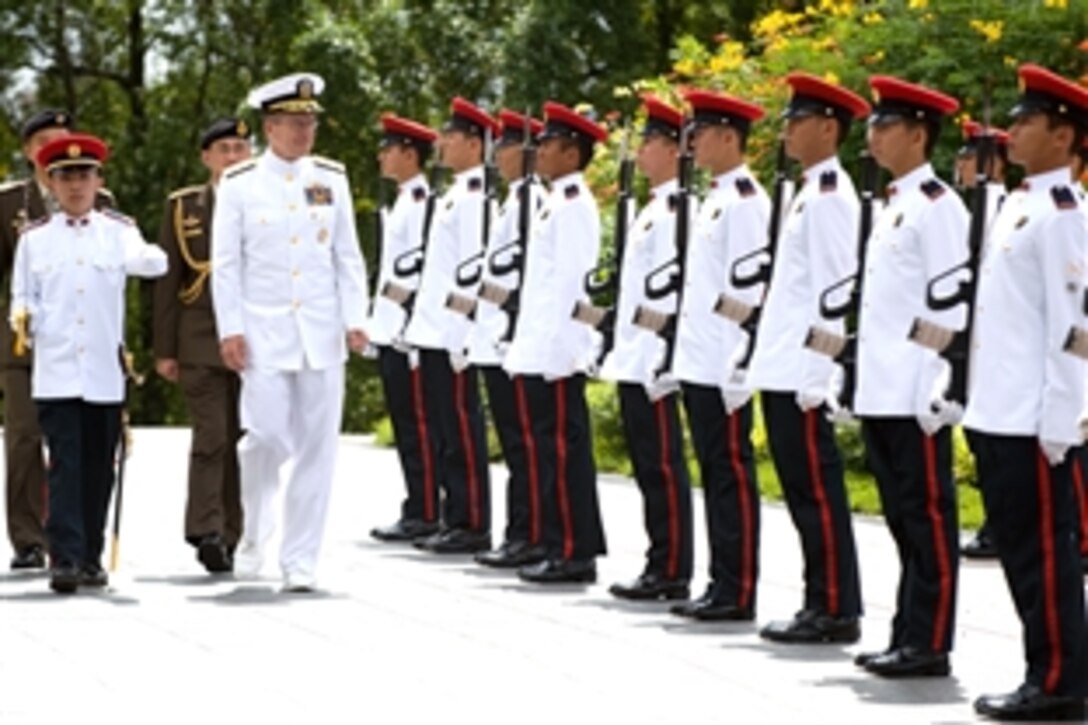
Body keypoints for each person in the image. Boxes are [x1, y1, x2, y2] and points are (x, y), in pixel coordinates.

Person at [212, 72, 369, 593]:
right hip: (263, 332)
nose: (305, 131)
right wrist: (230, 328)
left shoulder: (331, 178)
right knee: (266, 438)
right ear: (270, 126)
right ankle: (256, 532)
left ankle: (300, 558)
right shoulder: (239, 184)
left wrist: (356, 317)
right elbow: (227, 264)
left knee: (318, 449)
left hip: (321, 331)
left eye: (310, 121)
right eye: (294, 122)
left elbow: (347, 255)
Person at [964, 63, 1087, 722]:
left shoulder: (1063, 214)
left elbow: (1075, 330)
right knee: (1020, 553)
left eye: (1025, 121)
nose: (1010, 129)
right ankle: (1048, 667)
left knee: (1045, 555)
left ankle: (1061, 677)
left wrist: (1061, 421)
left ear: (1064, 136)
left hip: (1034, 417)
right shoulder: (1019, 203)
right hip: (998, 408)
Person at [10, 133, 167, 593]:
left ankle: (91, 557)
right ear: (51, 184)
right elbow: (22, 295)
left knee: (100, 466)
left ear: (99, 180)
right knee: (64, 463)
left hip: (102, 370)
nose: (76, 186)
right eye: (65, 177)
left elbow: (148, 262)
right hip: (56, 370)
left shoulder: (118, 231)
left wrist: (147, 255)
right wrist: (26, 317)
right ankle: (65, 557)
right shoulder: (35, 240)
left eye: (84, 176)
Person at [853, 76, 968, 678]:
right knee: (902, 517)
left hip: (915, 389)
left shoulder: (938, 207)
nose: (873, 134)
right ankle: (907, 631)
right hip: (881, 386)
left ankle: (930, 640)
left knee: (926, 517)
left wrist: (939, 383)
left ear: (917, 134)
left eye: (885, 125)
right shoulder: (894, 203)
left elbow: (948, 305)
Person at [749, 74, 867, 644]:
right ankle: (820, 599)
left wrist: (820, 374)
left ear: (828, 127)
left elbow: (832, 292)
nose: (786, 131)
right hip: (782, 363)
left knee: (816, 492)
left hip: (802, 371)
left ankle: (835, 607)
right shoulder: (806, 191)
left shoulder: (830, 197)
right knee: (800, 492)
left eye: (797, 122)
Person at [667, 88, 767, 622]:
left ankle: (738, 587)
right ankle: (719, 580)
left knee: (730, 475)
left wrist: (739, 363)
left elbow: (747, 294)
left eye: (700, 132)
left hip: (722, 360)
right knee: (714, 472)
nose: (692, 142)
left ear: (729, 137)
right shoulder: (717, 197)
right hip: (700, 358)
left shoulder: (747, 201)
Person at [0, 109, 114, 570]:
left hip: (83, 346)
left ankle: (77, 542)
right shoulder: (9, 203)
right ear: (32, 152)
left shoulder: (100, 199)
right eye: (45, 141)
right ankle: (29, 537)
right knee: (26, 437)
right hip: (24, 346)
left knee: (81, 445)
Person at [504, 100, 608, 584]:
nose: (538, 151)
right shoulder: (554, 201)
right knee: (544, 452)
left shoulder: (574, 206)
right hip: (537, 347)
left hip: (556, 353)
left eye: (547, 144)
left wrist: (565, 352)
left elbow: (571, 285)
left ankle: (572, 550)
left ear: (571, 152)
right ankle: (553, 541)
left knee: (562, 454)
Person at [602, 95, 694, 601]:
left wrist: (663, 355)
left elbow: (673, 292)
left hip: (655, 354)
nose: (641, 152)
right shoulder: (654, 208)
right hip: (635, 354)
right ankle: (660, 560)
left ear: (672, 148)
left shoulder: (680, 209)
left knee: (662, 464)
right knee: (646, 465)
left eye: (649, 142)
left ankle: (673, 566)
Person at [153, 117, 251, 574]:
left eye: (239, 148)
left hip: (254, 339)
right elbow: (167, 283)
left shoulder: (264, 202)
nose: (233, 156)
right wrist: (164, 349)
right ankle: (207, 529)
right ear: (206, 158)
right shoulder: (184, 207)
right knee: (212, 434)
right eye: (224, 149)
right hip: (199, 337)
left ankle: (236, 533)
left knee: (246, 438)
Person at [403, 97, 496, 555]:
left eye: (452, 136)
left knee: (461, 428)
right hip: (434, 328)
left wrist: (462, 332)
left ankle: (471, 520)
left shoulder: (477, 196)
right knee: (443, 429)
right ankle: (452, 512)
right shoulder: (457, 191)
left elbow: (472, 268)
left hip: (452, 329)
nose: (442, 142)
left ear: (475, 144)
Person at [470, 109, 549, 568]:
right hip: (499, 335)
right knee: (516, 443)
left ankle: (530, 533)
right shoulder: (513, 199)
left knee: (525, 444)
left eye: (505, 146)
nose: (496, 154)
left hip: (514, 337)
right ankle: (520, 530)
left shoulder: (532, 199)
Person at [367, 114, 443, 544]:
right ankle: (418, 503)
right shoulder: (404, 201)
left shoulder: (421, 205)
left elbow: (419, 275)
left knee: (418, 422)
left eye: (389, 148)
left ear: (409, 154)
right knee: (405, 421)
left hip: (408, 328)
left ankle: (426, 509)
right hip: (393, 326)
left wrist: (407, 327)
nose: (382, 155)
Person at [953, 119, 1008, 561]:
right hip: (972, 341)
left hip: (995, 344)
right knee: (979, 439)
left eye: (970, 156)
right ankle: (995, 521)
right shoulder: (974, 208)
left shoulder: (1001, 208)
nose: (962, 165)